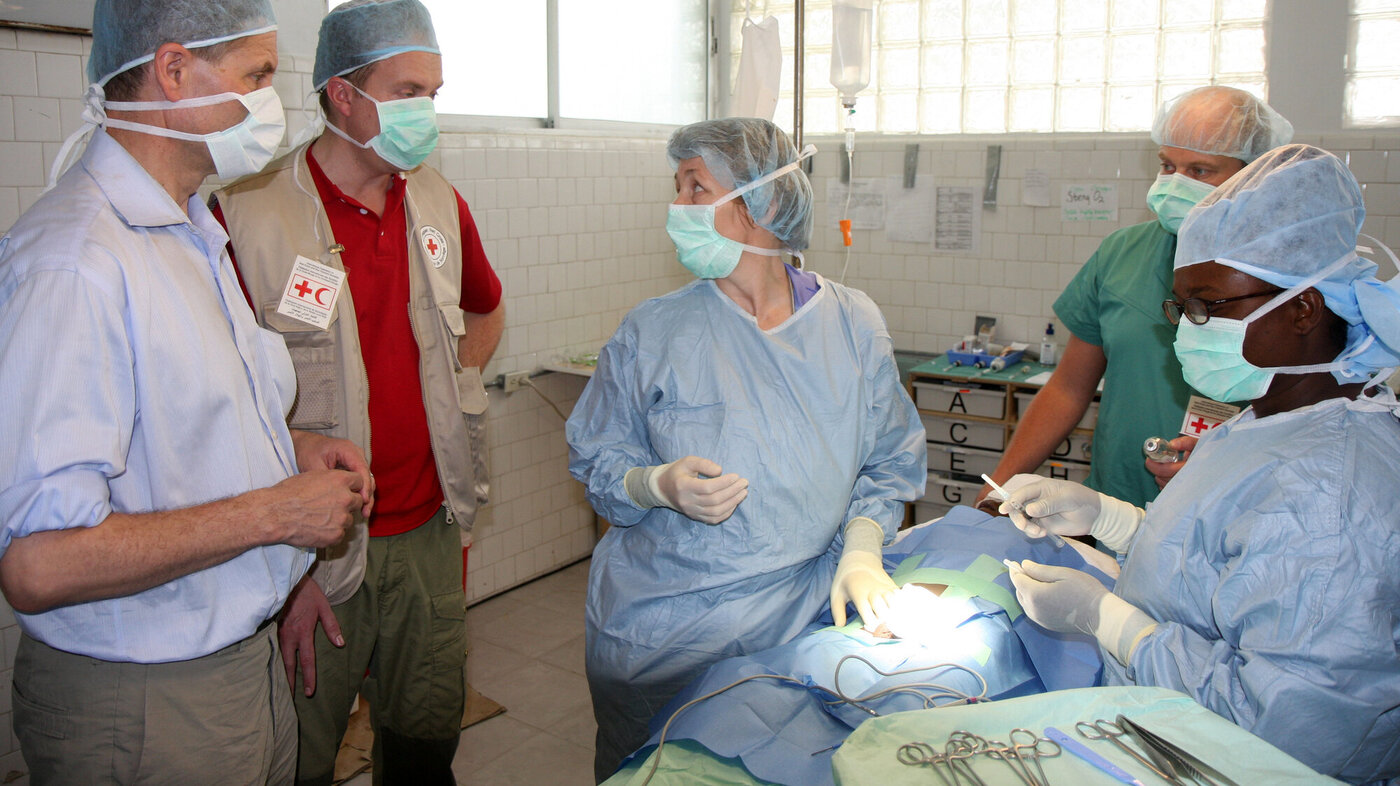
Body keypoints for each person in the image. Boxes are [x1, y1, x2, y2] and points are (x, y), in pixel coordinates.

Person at [0, 1, 375, 783]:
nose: (271, 103)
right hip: (148, 704)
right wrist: (275, 513)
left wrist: (293, 452)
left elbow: (178, 434)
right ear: (173, 70)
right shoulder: (75, 261)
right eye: (257, 75)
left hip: (238, 668)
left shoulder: (190, 229)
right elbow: (38, 565)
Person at [1000, 144, 1400, 784]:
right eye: (1184, 307)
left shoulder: (1329, 492)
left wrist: (1112, 622)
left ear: (1302, 309)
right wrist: (1112, 522)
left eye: (1211, 306)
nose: (1191, 328)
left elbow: (1289, 730)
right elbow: (1224, 565)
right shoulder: (1271, 417)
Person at [566, 117, 927, 781]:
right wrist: (655, 485)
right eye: (676, 188)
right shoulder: (653, 333)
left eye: (695, 188)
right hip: (663, 634)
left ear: (759, 203)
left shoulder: (853, 326)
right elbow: (597, 464)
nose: (677, 209)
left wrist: (863, 550)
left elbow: (889, 461)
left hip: (800, 628)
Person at [211, 1, 504, 783]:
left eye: (434, 93)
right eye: (408, 91)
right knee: (301, 753)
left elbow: (487, 306)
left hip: (429, 535)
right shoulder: (247, 214)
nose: (426, 114)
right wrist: (293, 569)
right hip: (315, 545)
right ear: (343, 94)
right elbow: (225, 410)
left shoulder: (437, 201)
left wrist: (454, 384)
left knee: (424, 745)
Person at [979, 87, 1292, 509]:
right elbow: (1069, 388)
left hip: (1231, 507)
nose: (1177, 184)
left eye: (1200, 170)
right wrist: (1000, 486)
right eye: (1168, 166)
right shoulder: (1122, 255)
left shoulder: (1289, 271)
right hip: (1115, 502)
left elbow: (1311, 417)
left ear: (1252, 175)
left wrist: (1222, 457)